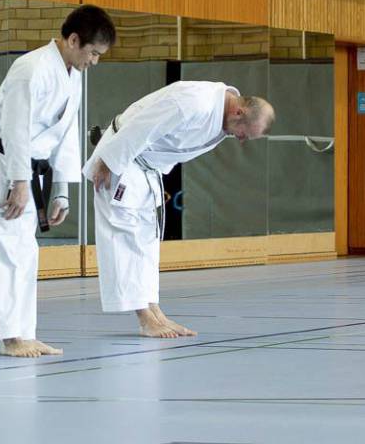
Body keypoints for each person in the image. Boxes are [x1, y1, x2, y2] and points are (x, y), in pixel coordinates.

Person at [0, 5, 116, 357]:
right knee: (5, 251)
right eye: (93, 53)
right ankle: (11, 337)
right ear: (73, 40)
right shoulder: (31, 69)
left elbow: (66, 133)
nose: (94, 62)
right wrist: (19, 182)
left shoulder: (72, 75)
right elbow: (15, 129)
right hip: (7, 168)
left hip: (32, 172)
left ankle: (24, 332)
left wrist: (62, 191)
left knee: (25, 253)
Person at [83, 81, 275, 338]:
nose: (241, 140)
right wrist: (108, 161)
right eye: (244, 134)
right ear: (238, 112)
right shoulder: (195, 101)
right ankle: (145, 319)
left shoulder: (221, 117)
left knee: (146, 241)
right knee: (124, 236)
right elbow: (143, 125)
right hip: (122, 158)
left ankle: (155, 312)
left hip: (145, 168)